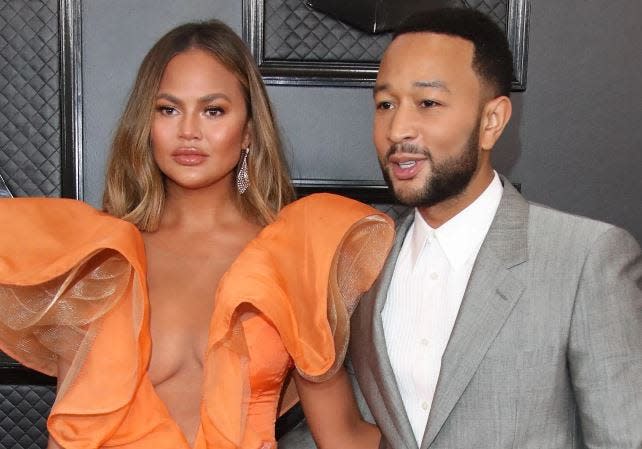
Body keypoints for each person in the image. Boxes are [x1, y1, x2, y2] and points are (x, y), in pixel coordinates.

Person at [0, 20, 393, 449]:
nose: (189, 130)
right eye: (168, 109)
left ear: (247, 132)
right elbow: (72, 429)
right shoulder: (98, 255)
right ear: (145, 125)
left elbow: (343, 438)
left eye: (213, 110)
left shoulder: (293, 255)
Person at [345, 6, 642, 449]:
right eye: (385, 104)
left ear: (491, 121)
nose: (397, 128)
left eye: (428, 103)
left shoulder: (586, 259)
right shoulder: (361, 254)